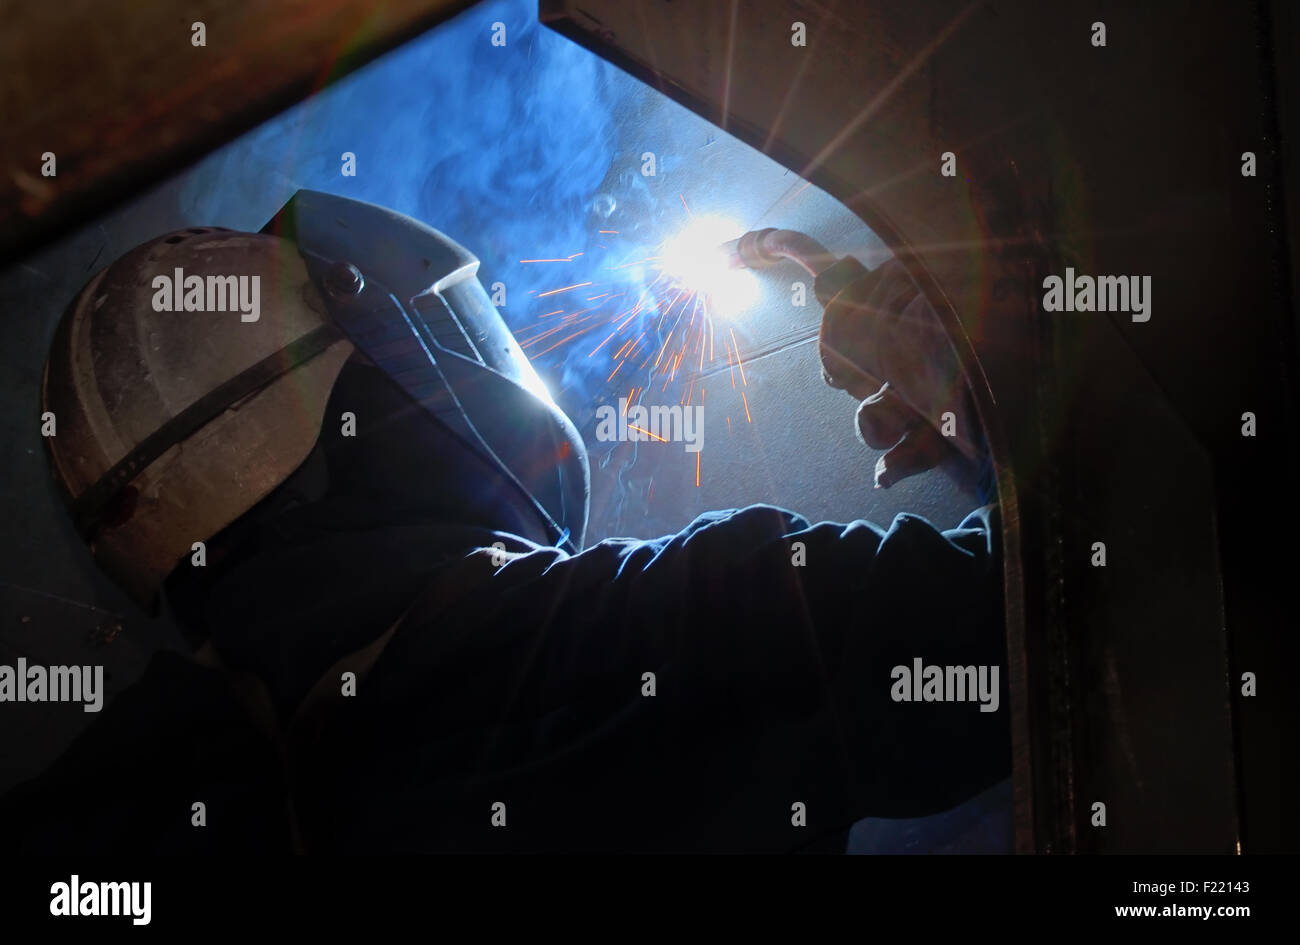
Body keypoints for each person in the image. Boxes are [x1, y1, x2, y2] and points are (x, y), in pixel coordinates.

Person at [2, 191, 1007, 853]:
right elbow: (1069, 615)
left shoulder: (100, 810)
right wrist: (971, 381)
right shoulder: (648, 629)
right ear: (365, 392)